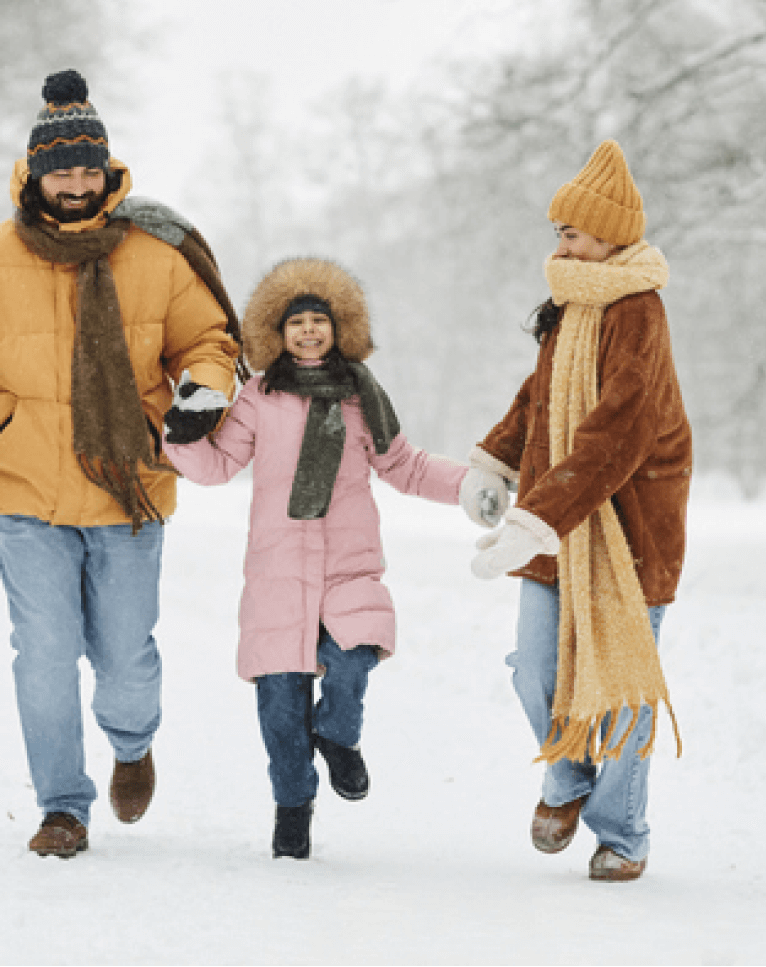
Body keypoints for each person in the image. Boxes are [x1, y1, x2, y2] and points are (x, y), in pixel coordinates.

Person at [0, 69, 246, 859]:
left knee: (124, 659)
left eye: (90, 171)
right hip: (22, 492)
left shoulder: (154, 256)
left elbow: (210, 342)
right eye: (63, 171)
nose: (76, 185)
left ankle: (130, 741)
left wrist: (202, 393)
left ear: (108, 172)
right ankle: (61, 806)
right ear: (35, 172)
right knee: (44, 651)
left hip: (129, 488)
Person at [162, 256, 510, 860]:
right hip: (278, 572)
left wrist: (466, 485)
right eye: (296, 322)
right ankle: (292, 809)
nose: (308, 331)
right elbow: (218, 466)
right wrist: (183, 436)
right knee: (279, 705)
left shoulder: (360, 396)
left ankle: (339, 735)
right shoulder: (259, 396)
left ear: (339, 327)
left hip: (349, 564)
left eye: (318, 320)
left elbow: (405, 464)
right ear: (277, 332)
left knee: (353, 659)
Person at [468, 140, 691, 883]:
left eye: (571, 231)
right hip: (558, 513)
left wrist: (538, 516)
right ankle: (565, 777)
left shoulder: (637, 311)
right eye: (557, 231)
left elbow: (619, 430)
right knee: (534, 670)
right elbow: (538, 399)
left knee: (622, 682)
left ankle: (622, 832)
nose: (559, 243)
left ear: (609, 236)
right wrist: (496, 458)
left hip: (629, 526)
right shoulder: (570, 305)